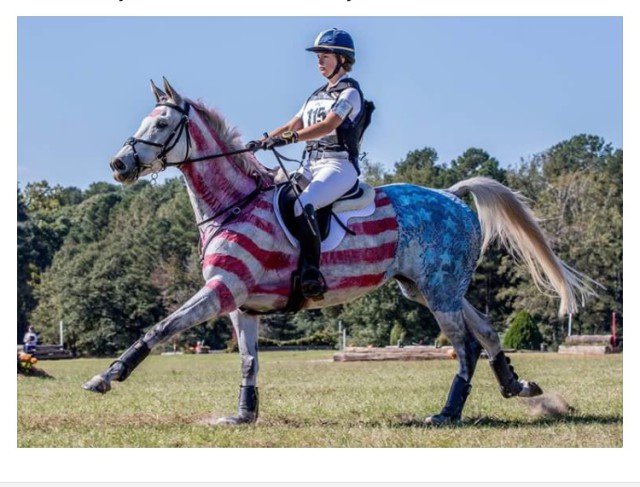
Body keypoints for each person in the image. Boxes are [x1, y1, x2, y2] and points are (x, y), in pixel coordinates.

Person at [248, 28, 369, 299]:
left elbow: (328, 126)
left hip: (338, 166)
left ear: (341, 59)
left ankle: (311, 272)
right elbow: (294, 124)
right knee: (276, 198)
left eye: (325, 56)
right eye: (318, 56)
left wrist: (289, 139)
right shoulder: (314, 96)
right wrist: (264, 139)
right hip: (310, 163)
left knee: (304, 204)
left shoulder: (350, 94)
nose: (319, 62)